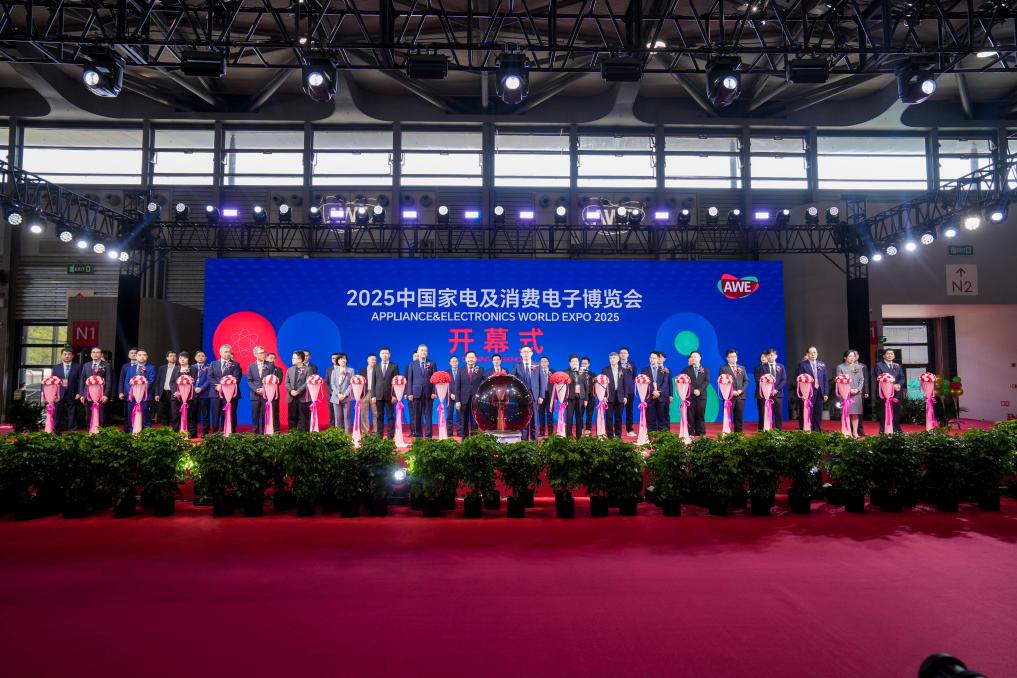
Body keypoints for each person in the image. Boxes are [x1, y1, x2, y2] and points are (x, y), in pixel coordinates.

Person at [512, 345, 547, 440]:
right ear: (521, 354)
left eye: (528, 351)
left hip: (534, 397)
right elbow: (513, 380)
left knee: (534, 420)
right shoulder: (517, 366)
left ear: (531, 353)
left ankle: (534, 443)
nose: (526, 354)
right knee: (523, 420)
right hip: (522, 397)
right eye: (524, 352)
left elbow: (542, 381)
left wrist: (541, 396)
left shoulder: (537, 365)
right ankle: (524, 443)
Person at [208, 344, 242, 433]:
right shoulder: (213, 364)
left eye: (229, 352)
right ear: (220, 353)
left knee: (230, 413)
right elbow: (210, 376)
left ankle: (230, 432)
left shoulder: (235, 364)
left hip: (230, 394)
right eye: (226, 352)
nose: (228, 354)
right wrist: (216, 386)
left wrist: (224, 386)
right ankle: (215, 433)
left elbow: (236, 378)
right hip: (216, 393)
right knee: (216, 413)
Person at [407, 343, 436, 439]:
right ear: (418, 352)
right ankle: (418, 435)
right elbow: (410, 380)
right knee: (417, 415)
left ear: (427, 353)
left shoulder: (432, 363)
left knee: (428, 415)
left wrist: (434, 392)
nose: (423, 352)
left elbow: (435, 379)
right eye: (421, 350)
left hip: (429, 393)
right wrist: (410, 393)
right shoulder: (412, 364)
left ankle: (428, 436)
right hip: (416, 393)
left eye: (425, 351)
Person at [795, 346, 828, 431]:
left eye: (815, 352)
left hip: (820, 391)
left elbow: (825, 379)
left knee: (818, 412)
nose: (813, 354)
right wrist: (802, 394)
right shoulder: (802, 364)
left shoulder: (822, 364)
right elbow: (799, 380)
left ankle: (817, 431)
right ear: (807, 354)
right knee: (808, 412)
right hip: (808, 392)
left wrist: (825, 393)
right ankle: (807, 430)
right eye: (811, 353)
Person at [873, 348, 906, 434]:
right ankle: (884, 430)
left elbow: (902, 377)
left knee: (897, 411)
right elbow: (879, 377)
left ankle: (896, 430)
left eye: (892, 354)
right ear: (884, 356)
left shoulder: (897, 366)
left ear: (894, 356)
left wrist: (899, 384)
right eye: (888, 353)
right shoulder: (879, 365)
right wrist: (892, 385)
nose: (890, 355)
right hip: (884, 393)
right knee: (884, 412)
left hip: (896, 392)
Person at [123, 349, 156, 429]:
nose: (142, 357)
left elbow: (151, 382)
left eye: (144, 355)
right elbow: (127, 381)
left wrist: (139, 392)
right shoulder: (130, 368)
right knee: (131, 417)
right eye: (140, 355)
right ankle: (132, 433)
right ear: (136, 357)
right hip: (132, 397)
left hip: (145, 397)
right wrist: (131, 392)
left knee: (145, 418)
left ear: (147, 357)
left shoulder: (151, 368)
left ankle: (146, 434)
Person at [754, 348, 787, 431]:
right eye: (768, 355)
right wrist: (767, 390)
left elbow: (784, 380)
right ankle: (765, 431)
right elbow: (758, 380)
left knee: (778, 414)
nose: (769, 357)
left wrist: (776, 389)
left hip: (777, 394)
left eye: (771, 355)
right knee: (765, 414)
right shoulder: (761, 367)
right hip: (765, 395)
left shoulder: (781, 366)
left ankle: (778, 431)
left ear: (776, 356)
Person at [455, 351, 486, 437]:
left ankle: (474, 439)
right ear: (465, 359)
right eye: (469, 357)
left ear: (476, 359)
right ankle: (464, 440)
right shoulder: (461, 370)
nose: (471, 359)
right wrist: (457, 401)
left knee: (475, 421)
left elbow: (487, 380)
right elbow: (457, 387)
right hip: (463, 400)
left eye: (472, 357)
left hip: (475, 400)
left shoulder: (480, 369)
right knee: (463, 421)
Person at [718, 349, 748, 433]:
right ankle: (727, 434)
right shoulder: (723, 369)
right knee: (728, 416)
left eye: (735, 356)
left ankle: (739, 435)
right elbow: (722, 383)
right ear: (727, 358)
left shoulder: (741, 368)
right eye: (731, 357)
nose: (734, 358)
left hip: (741, 396)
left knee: (739, 417)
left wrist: (741, 390)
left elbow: (746, 381)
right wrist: (732, 391)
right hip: (729, 397)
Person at [601, 351, 631, 438]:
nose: (612, 360)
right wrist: (604, 396)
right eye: (610, 358)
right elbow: (603, 384)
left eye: (614, 358)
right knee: (609, 417)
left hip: (620, 396)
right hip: (609, 397)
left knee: (618, 417)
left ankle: (618, 436)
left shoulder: (623, 370)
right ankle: (610, 436)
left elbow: (626, 384)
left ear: (618, 359)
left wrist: (625, 396)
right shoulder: (605, 370)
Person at [837, 349, 866, 438]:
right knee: (845, 413)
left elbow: (862, 380)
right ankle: (845, 432)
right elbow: (839, 381)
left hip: (856, 394)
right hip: (845, 394)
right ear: (845, 357)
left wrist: (858, 389)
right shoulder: (840, 367)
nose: (852, 358)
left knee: (855, 414)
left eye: (853, 356)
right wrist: (848, 390)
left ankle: (855, 432)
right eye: (850, 356)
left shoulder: (858, 367)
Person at [680, 351, 709, 437]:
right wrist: (693, 390)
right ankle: (690, 433)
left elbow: (706, 381)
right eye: (692, 357)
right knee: (690, 415)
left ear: (700, 358)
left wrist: (699, 390)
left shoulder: (705, 369)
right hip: (690, 396)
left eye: (695, 357)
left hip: (702, 396)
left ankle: (701, 432)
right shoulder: (685, 370)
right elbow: (685, 382)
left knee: (701, 415)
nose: (693, 358)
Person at [52, 348, 81, 432]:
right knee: (57, 413)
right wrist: (53, 394)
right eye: (65, 354)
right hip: (59, 394)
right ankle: (56, 431)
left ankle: (72, 431)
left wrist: (79, 392)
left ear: (72, 356)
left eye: (69, 354)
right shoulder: (56, 367)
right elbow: (53, 381)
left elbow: (80, 380)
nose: (67, 356)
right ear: (62, 356)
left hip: (72, 393)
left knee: (72, 413)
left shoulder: (78, 366)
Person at [172, 352, 200, 438]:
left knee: (190, 415)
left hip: (189, 396)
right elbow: (172, 382)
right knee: (175, 416)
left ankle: (190, 433)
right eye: (180, 358)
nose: (182, 359)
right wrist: (175, 392)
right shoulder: (176, 368)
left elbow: (193, 381)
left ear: (188, 359)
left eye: (184, 358)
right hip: (177, 396)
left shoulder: (193, 369)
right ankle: (175, 433)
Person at [374, 348, 399, 439]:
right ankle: (379, 436)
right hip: (379, 395)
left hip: (390, 395)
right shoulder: (376, 366)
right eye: (383, 353)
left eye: (386, 353)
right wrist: (373, 395)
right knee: (379, 416)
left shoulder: (394, 366)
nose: (384, 355)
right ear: (380, 355)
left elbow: (396, 382)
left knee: (390, 416)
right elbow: (373, 382)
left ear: (389, 355)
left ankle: (390, 436)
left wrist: (394, 395)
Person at [640, 352, 668, 433]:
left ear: (658, 359)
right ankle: (651, 435)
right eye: (650, 358)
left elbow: (665, 383)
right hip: (650, 397)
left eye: (654, 358)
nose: (652, 359)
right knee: (650, 418)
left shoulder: (664, 369)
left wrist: (659, 392)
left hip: (661, 397)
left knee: (661, 418)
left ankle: (661, 435)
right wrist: (653, 391)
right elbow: (644, 383)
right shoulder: (644, 370)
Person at [246, 346, 271, 434]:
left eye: (264, 352)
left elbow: (272, 379)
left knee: (265, 415)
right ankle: (255, 434)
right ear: (255, 354)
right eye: (261, 353)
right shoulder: (251, 366)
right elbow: (249, 381)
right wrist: (256, 389)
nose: (263, 354)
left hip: (266, 394)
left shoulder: (270, 365)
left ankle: (264, 433)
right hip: (255, 395)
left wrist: (264, 389)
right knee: (255, 415)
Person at [563, 355, 588, 438]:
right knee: (569, 418)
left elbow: (586, 386)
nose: (575, 363)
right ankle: (569, 437)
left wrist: (586, 399)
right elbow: (563, 387)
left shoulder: (583, 372)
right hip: (570, 398)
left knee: (579, 418)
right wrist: (564, 399)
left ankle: (579, 437)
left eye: (576, 361)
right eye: (573, 361)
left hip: (580, 398)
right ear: (570, 363)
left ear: (579, 362)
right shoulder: (566, 372)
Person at [285, 350, 311, 432]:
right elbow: (286, 383)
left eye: (294, 358)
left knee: (303, 418)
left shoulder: (308, 369)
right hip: (291, 397)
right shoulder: (290, 369)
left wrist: (298, 391)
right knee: (291, 417)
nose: (292, 359)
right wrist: (291, 391)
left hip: (303, 397)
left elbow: (307, 382)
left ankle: (303, 436)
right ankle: (292, 434)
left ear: (300, 359)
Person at [329, 353, 354, 433]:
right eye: (340, 359)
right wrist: (338, 394)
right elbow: (332, 384)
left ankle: (347, 435)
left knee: (347, 417)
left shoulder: (351, 370)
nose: (343, 360)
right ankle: (338, 435)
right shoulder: (334, 371)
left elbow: (351, 384)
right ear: (338, 361)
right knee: (337, 417)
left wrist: (345, 394)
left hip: (346, 397)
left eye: (344, 359)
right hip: (336, 397)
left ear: (346, 360)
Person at [154, 351, 178, 427]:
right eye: (171, 356)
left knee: (174, 413)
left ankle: (174, 430)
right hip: (163, 393)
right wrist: (157, 394)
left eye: (174, 356)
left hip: (174, 393)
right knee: (164, 413)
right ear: (167, 358)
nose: (173, 357)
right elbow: (158, 381)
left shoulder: (179, 368)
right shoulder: (162, 368)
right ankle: (165, 430)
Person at [618, 347, 637, 436]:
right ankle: (617, 432)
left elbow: (634, 377)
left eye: (625, 353)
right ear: (619, 355)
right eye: (621, 353)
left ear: (628, 355)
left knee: (629, 411)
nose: (623, 354)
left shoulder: (632, 365)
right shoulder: (616, 364)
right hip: (619, 392)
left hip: (629, 391)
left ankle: (630, 430)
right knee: (619, 412)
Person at [117, 347, 138, 424]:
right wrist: (120, 392)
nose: (133, 354)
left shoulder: (142, 366)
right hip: (127, 393)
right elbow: (121, 379)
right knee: (127, 413)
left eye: (135, 353)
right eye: (131, 353)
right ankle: (127, 430)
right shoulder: (125, 366)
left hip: (139, 393)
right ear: (128, 355)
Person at [193, 350, 212, 437]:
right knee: (193, 414)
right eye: (199, 356)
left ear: (205, 358)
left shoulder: (209, 367)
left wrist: (201, 388)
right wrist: (194, 388)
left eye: (202, 356)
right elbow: (189, 379)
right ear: (195, 358)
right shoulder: (191, 367)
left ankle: (205, 433)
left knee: (205, 414)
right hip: (193, 394)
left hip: (205, 394)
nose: (201, 357)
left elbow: (209, 379)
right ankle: (193, 432)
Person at [360, 353, 378, 434]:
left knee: (376, 413)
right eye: (372, 359)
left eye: (375, 360)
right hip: (365, 393)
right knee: (364, 413)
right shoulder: (362, 371)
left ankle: (376, 431)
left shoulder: (378, 370)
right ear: (367, 360)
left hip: (375, 394)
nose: (373, 361)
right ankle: (365, 431)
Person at [579, 356, 596, 434]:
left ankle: (588, 429)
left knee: (589, 414)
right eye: (582, 363)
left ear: (589, 364)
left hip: (591, 397)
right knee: (580, 413)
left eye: (585, 363)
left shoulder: (592, 374)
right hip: (581, 397)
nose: (584, 365)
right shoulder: (578, 373)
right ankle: (581, 428)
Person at [325, 353, 341, 426]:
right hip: (331, 395)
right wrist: (331, 392)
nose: (334, 359)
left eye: (336, 358)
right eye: (333, 358)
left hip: (341, 395)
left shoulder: (344, 369)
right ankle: (332, 428)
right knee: (331, 412)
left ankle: (341, 428)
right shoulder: (329, 370)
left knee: (341, 413)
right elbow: (326, 382)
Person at [538, 356, 553, 436]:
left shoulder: (553, 372)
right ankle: (542, 431)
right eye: (542, 362)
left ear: (548, 363)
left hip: (550, 395)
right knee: (541, 414)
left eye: (545, 361)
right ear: (540, 363)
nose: (544, 363)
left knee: (550, 413)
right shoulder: (537, 372)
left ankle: (550, 432)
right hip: (541, 395)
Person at [447, 356, 460, 437]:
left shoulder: (461, 371)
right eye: (453, 361)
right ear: (450, 363)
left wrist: (457, 395)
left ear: (458, 362)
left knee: (460, 415)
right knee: (449, 414)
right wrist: (450, 394)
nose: (454, 363)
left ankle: (460, 431)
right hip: (449, 396)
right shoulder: (446, 372)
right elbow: (445, 385)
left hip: (459, 396)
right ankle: (449, 432)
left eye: (456, 361)